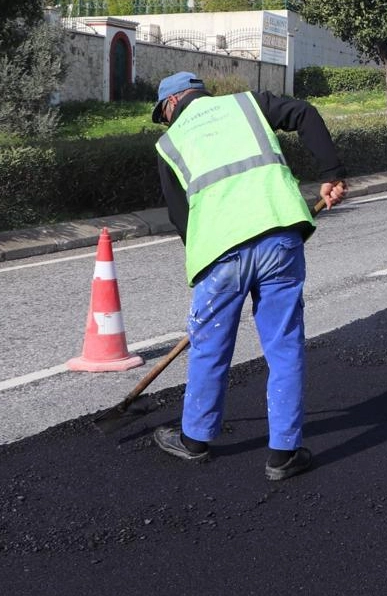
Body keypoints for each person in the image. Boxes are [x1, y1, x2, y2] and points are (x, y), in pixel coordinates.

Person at [149, 71, 347, 481]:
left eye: (163, 114)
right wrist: (332, 173)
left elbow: (181, 218)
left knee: (209, 346)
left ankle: (195, 441)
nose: (166, 122)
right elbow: (305, 113)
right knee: (284, 343)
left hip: (219, 253)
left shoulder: (168, 143)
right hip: (279, 235)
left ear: (172, 103)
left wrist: (207, 263)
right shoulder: (247, 103)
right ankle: (283, 455)